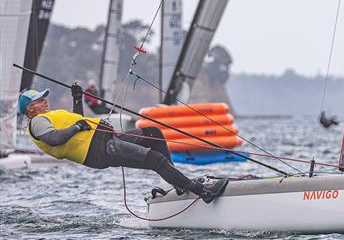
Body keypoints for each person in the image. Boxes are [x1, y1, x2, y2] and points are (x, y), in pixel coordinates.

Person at [19, 84, 227, 203]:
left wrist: (77, 98)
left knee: (153, 132)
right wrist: (76, 128)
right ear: (30, 110)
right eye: (39, 100)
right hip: (99, 149)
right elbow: (55, 138)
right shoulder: (37, 123)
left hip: (107, 139)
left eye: (44, 98)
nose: (45, 101)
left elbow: (78, 120)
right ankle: (202, 192)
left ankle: (179, 182)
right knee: (155, 159)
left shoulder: (50, 115)